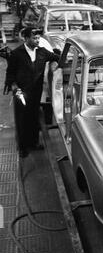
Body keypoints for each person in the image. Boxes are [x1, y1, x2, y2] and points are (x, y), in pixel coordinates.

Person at [5, 27, 60, 158]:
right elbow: (10, 73)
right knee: (22, 118)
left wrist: (61, 63)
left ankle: (34, 142)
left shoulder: (42, 52)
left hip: (36, 92)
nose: (37, 40)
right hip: (21, 92)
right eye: (34, 38)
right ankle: (23, 147)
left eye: (38, 38)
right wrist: (14, 87)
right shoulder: (17, 54)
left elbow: (57, 57)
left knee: (33, 116)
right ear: (26, 38)